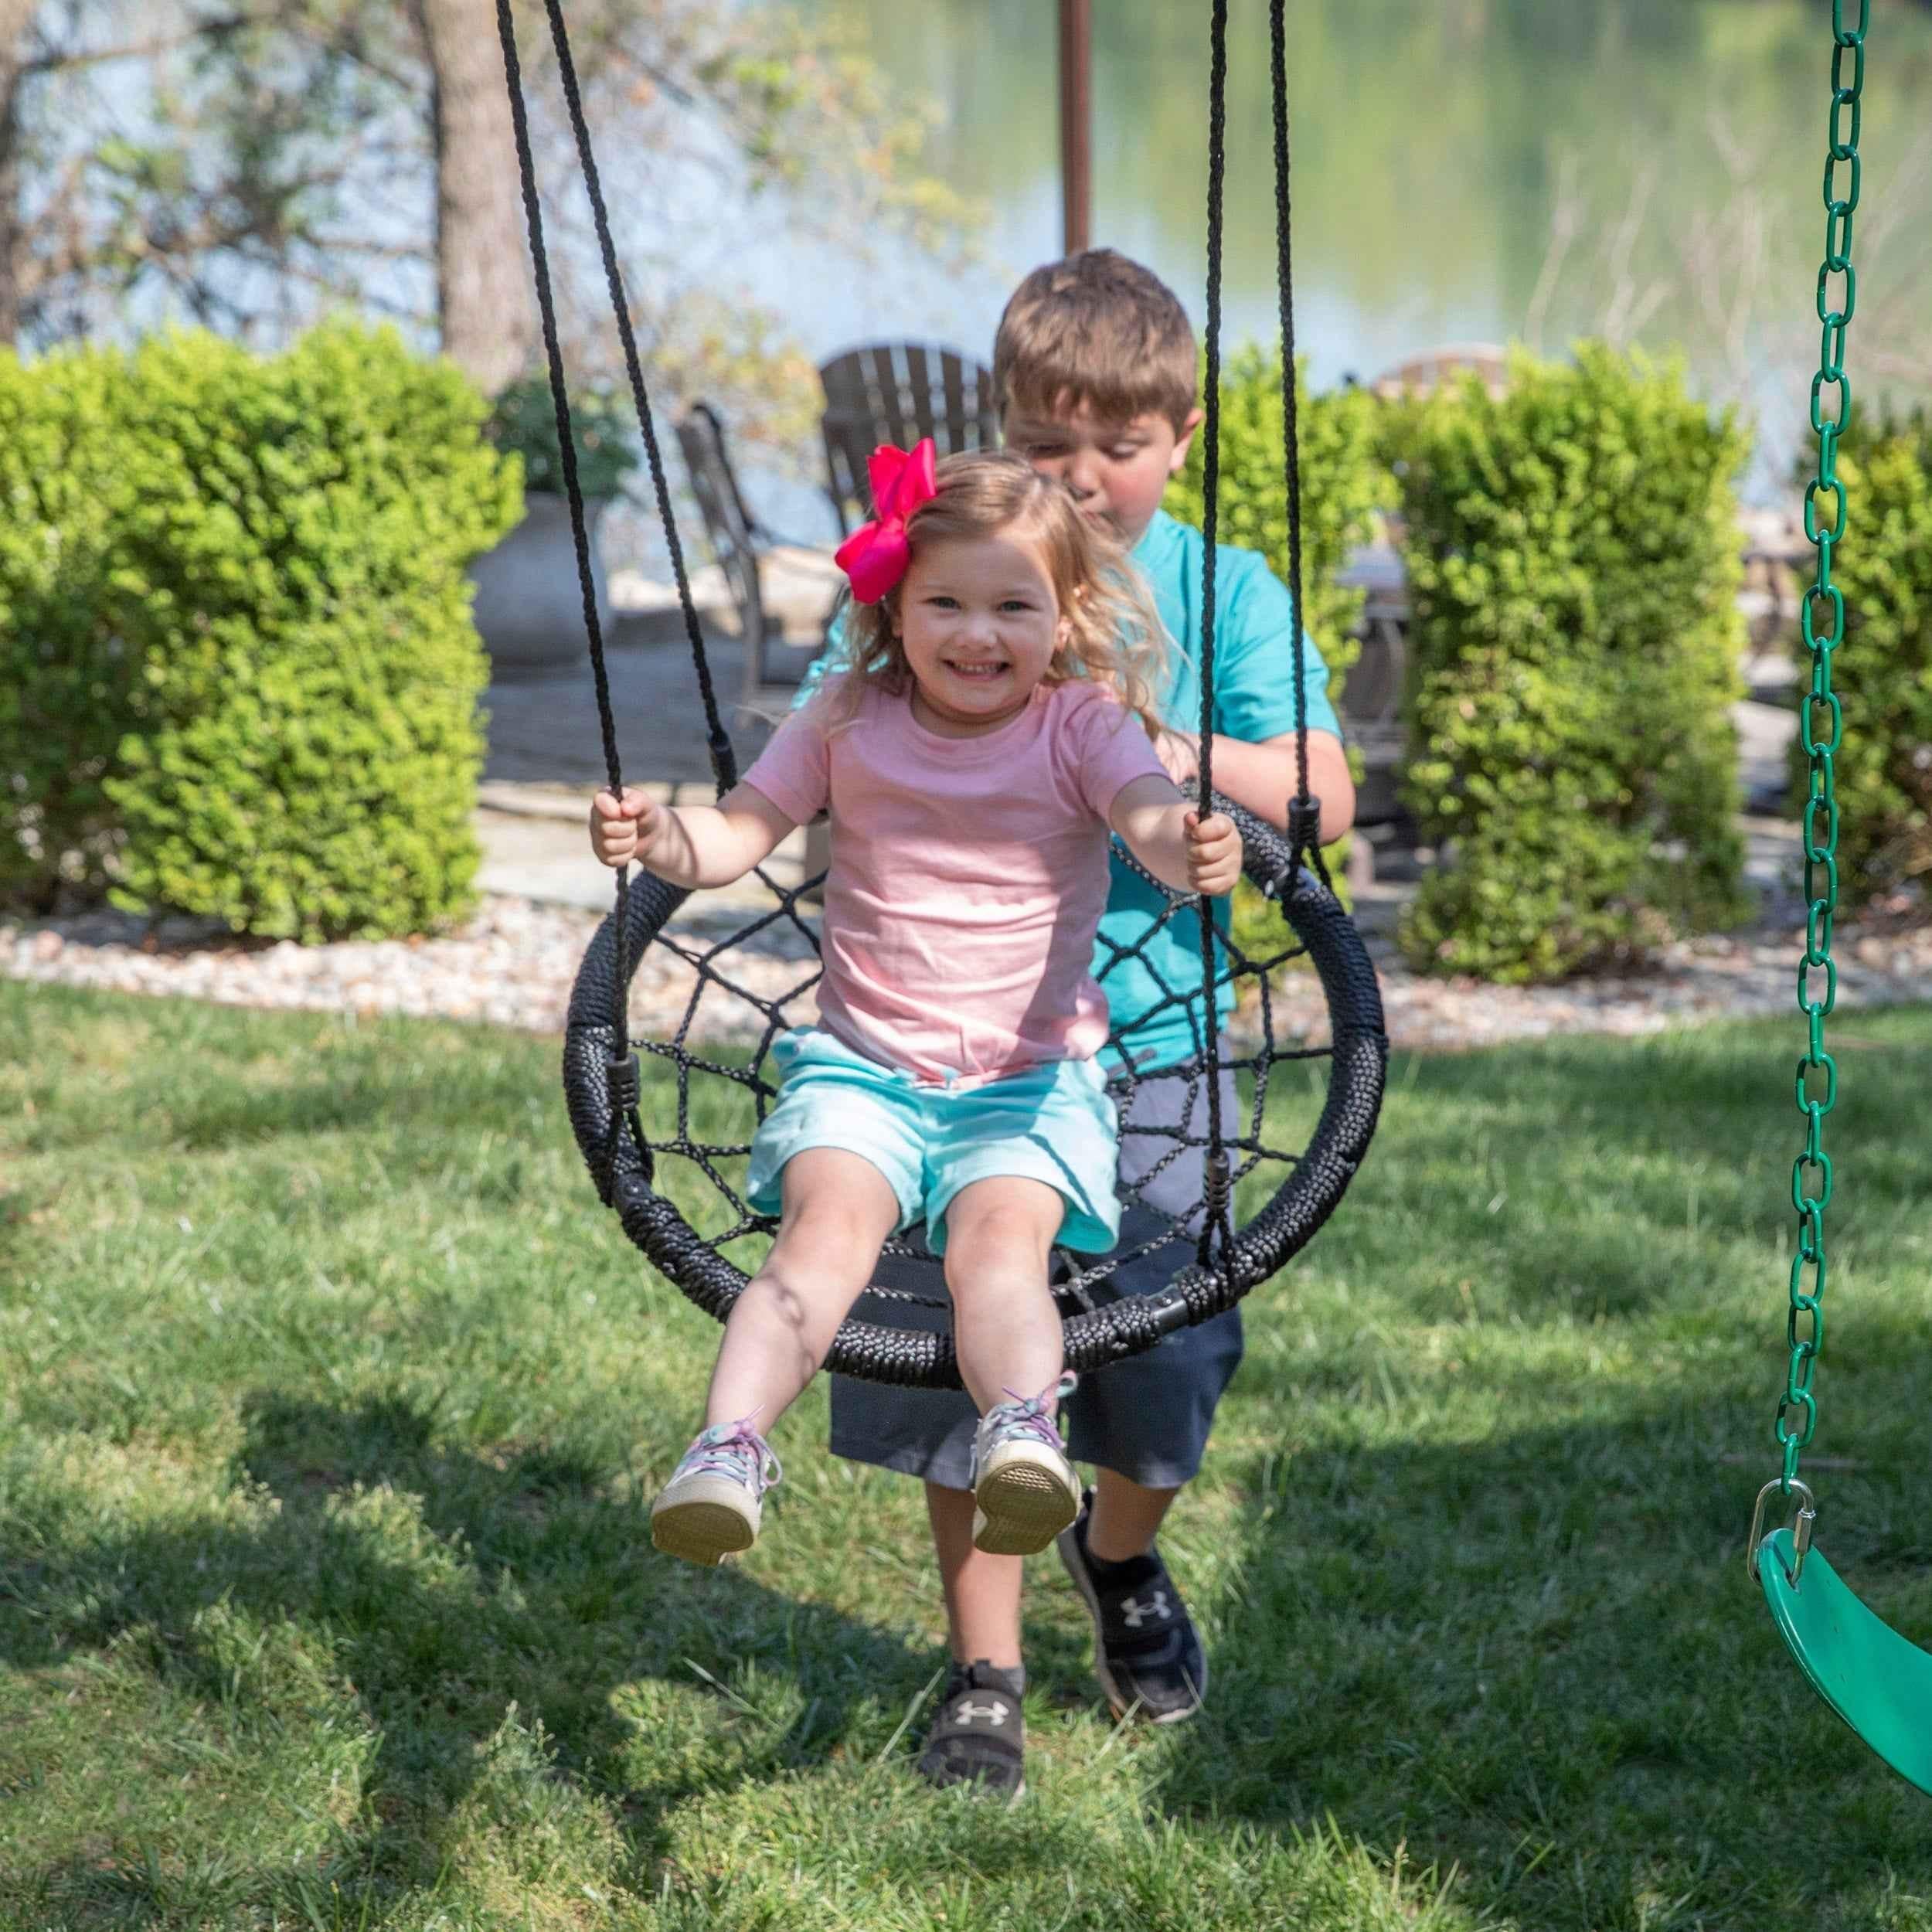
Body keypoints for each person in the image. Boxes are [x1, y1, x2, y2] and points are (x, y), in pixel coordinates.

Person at [798, 250, 1356, 1796]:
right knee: (948, 1358)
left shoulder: (1221, 589)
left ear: (1179, 433)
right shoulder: (954, 569)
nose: (1084, 477)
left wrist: (1142, 738)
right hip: (937, 1049)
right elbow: (825, 727)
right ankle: (984, 1667)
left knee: (1165, 1358)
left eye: (1116, 443)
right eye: (1048, 445)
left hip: (1154, 1038)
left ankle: (1118, 1555)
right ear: (1004, 433)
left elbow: (1322, 791)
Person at [588, 443, 1243, 1578]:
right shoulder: (845, 717)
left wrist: (1189, 849)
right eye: (945, 601)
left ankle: (1023, 1437)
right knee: (818, 1248)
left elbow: (1146, 823)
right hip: (862, 1074)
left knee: (1001, 1253)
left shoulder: (1085, 727)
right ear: (893, 604)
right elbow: (735, 837)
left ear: (1065, 611)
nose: (976, 634)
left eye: (1011, 605)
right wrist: (657, 838)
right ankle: (727, 1451)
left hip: (1028, 1081)